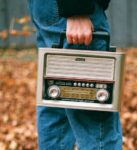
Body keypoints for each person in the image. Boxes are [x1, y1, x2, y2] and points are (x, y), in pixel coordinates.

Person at [27, 0, 122, 149]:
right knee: (97, 125)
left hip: (46, 7)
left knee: (56, 104)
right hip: (74, 11)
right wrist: (77, 9)